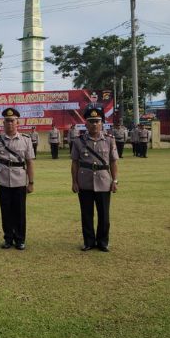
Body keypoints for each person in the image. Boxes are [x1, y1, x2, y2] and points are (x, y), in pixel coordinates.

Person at [71, 106, 119, 252]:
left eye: (97, 121)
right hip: (84, 182)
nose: (94, 124)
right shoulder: (79, 141)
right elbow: (75, 163)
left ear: (102, 123)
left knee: (104, 214)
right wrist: (74, 181)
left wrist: (115, 181)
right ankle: (89, 242)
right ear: (86, 124)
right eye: (91, 121)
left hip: (104, 181)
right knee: (86, 214)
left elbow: (113, 162)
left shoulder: (110, 140)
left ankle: (103, 242)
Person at [0, 108, 34, 250]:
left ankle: (20, 239)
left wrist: (31, 182)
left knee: (20, 211)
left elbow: (30, 162)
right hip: (2, 180)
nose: (9, 124)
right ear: (3, 123)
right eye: (7, 121)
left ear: (17, 122)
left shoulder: (26, 140)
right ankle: (8, 238)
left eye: (12, 121)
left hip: (20, 180)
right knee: (6, 211)